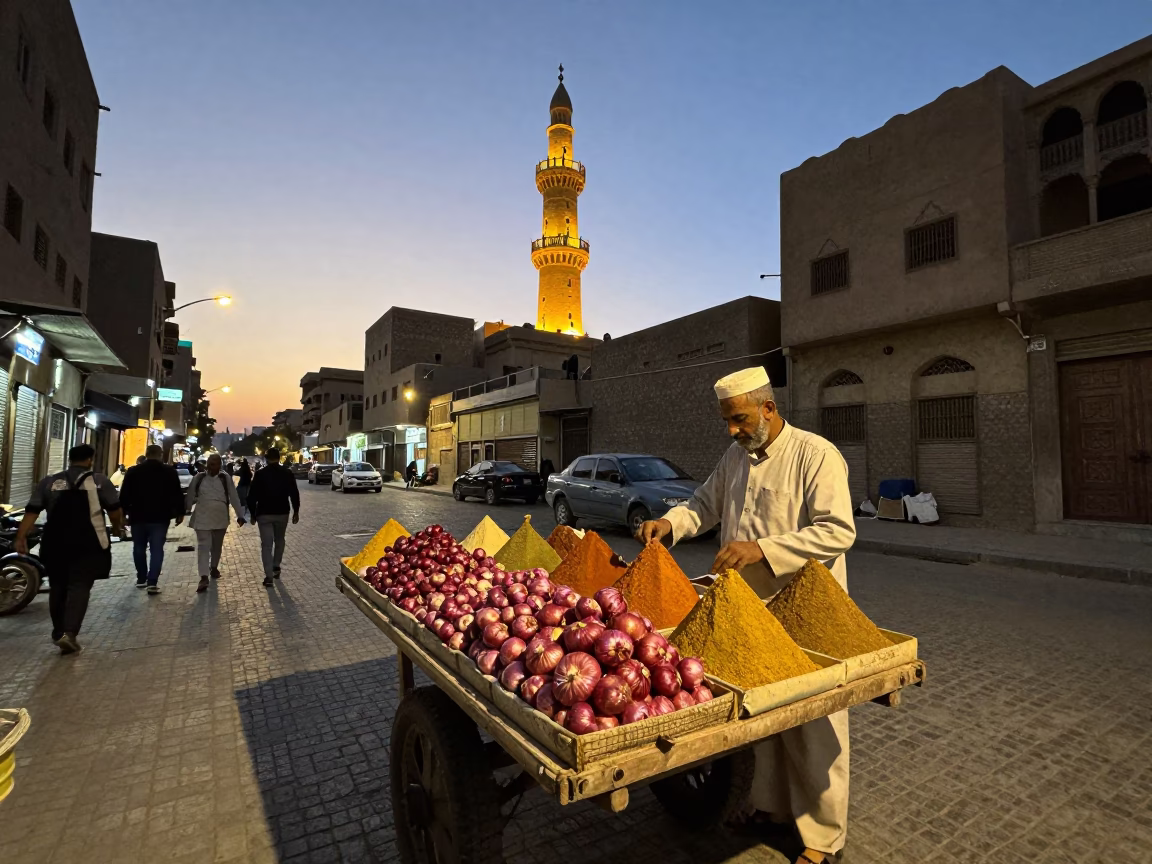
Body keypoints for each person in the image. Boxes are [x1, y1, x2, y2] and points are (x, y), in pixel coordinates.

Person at [637, 367, 855, 864]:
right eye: (727, 422)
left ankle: (824, 838)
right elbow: (703, 505)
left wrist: (762, 549)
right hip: (749, 614)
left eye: (739, 419)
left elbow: (838, 531)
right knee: (765, 721)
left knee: (815, 722)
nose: (732, 430)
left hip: (805, 613)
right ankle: (769, 808)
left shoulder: (815, 455)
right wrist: (668, 524)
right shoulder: (735, 458)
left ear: (768, 409)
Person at [15, 444, 125, 655]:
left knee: (58, 587)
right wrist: (118, 527)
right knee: (79, 586)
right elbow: (114, 510)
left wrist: (21, 537)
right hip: (88, 543)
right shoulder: (99, 481)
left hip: (54, 543)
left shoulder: (50, 482)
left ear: (69, 459)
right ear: (90, 460)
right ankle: (70, 633)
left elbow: (32, 510)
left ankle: (58, 632)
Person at [118, 444, 185, 593]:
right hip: (160, 516)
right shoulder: (169, 472)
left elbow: (124, 495)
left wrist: (123, 514)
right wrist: (180, 512)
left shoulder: (133, 471)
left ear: (146, 454)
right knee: (156, 549)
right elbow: (177, 493)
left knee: (139, 547)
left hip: (138, 516)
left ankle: (141, 577)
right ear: (160, 454)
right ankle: (152, 581)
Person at [186, 454, 245, 593]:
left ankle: (213, 567)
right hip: (202, 515)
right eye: (211, 463)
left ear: (220, 465)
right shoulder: (199, 478)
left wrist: (240, 515)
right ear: (207, 464)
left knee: (217, 545)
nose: (213, 466)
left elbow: (234, 496)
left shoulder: (225, 478)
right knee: (203, 546)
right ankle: (204, 576)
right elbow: (190, 494)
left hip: (220, 516)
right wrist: (186, 509)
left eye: (216, 464)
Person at [246, 447, 300, 587]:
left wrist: (252, 513)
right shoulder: (287, 473)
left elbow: (252, 495)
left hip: (264, 513)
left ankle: (268, 576)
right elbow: (294, 492)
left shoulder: (260, 474)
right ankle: (276, 566)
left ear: (266, 458)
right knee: (280, 539)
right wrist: (296, 511)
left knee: (266, 544)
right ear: (279, 457)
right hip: (282, 512)